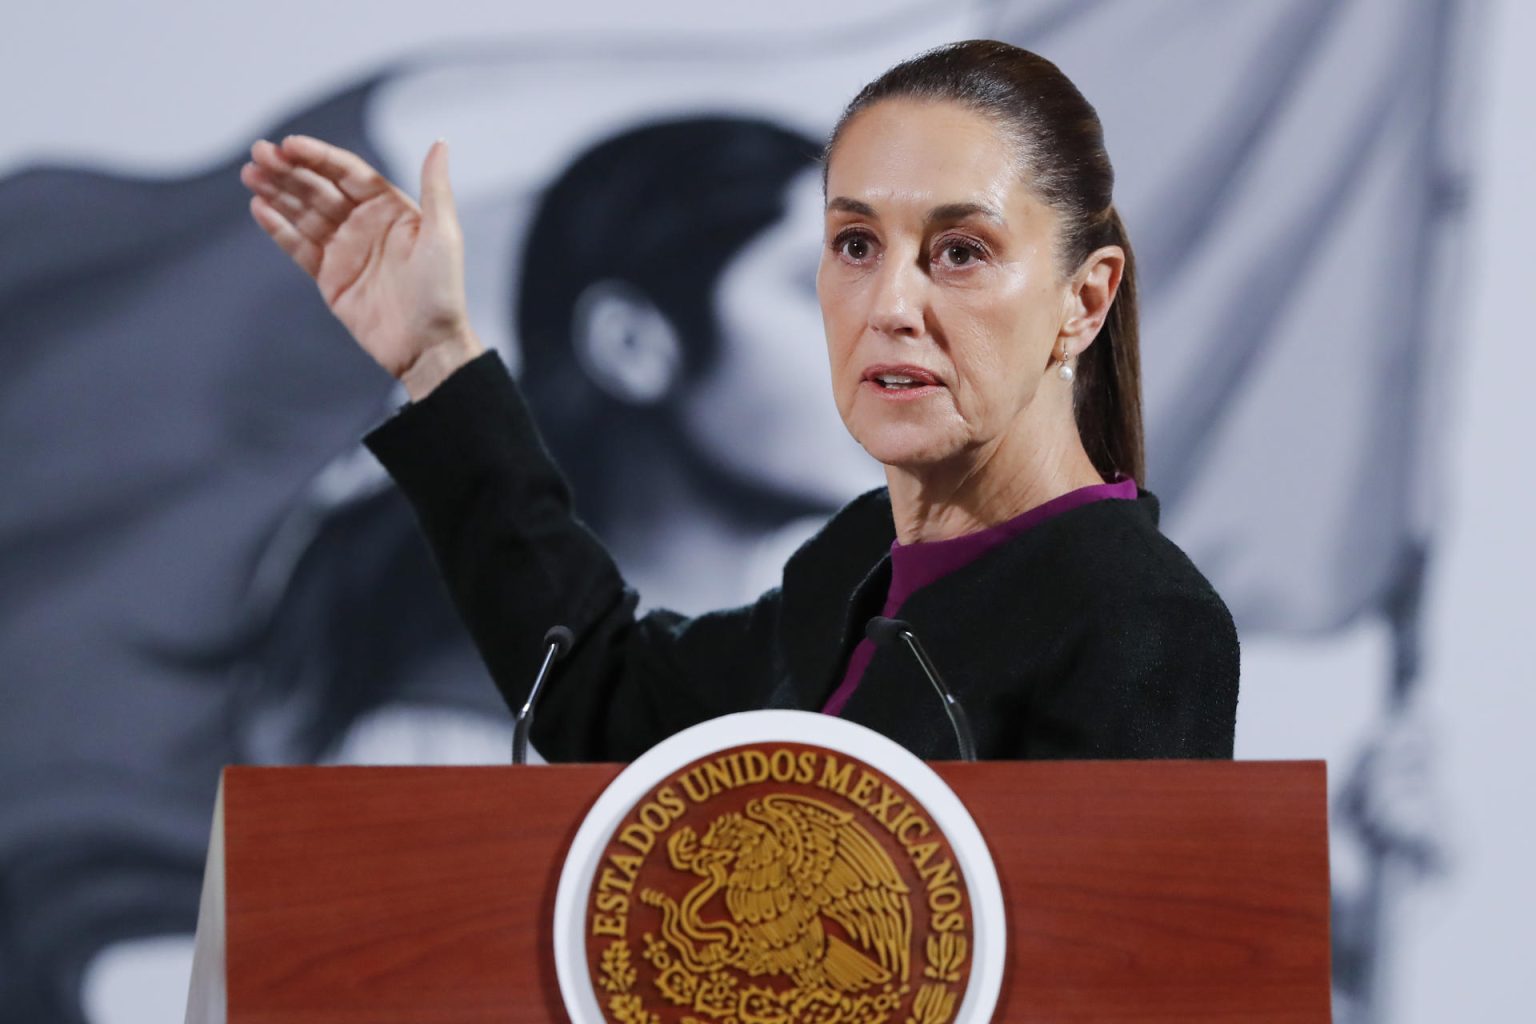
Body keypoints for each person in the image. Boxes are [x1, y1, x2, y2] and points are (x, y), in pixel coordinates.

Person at [240, 39, 1240, 762]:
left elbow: (1113, 978)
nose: (887, 304)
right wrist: (438, 356)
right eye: (854, 248)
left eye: (960, 253)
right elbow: (609, 704)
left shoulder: (1134, 610)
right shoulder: (863, 564)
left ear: (1084, 301)